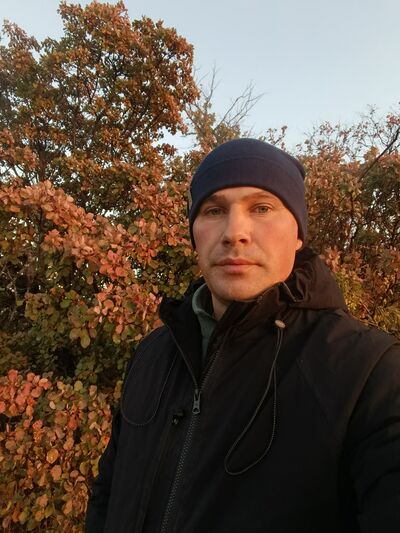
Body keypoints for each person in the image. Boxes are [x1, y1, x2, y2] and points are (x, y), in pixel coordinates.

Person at [85, 138, 400, 533]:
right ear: (194, 233)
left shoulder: (369, 370)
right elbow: (108, 492)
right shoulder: (153, 354)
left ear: (298, 233)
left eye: (262, 208)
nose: (235, 232)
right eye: (214, 210)